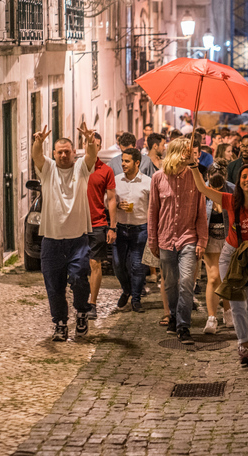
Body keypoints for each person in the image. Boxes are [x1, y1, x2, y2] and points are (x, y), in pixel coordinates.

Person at [189, 162, 248, 366]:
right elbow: (202, 188)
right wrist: (194, 167)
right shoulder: (230, 200)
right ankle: (244, 344)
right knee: (237, 300)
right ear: (239, 181)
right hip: (230, 254)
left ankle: (244, 338)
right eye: (244, 177)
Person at [32, 123, 97, 341]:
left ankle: (81, 311)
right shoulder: (48, 169)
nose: (63, 155)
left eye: (66, 151)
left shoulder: (81, 169)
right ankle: (60, 323)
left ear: (73, 153)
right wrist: (38, 142)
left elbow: (91, 155)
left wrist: (90, 141)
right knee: (53, 284)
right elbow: (37, 157)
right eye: (59, 152)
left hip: (77, 239)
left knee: (79, 278)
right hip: (51, 240)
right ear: (53, 154)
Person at [148, 138, 208, 345]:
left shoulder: (195, 178)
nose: (191, 155)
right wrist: (152, 239)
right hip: (165, 238)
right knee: (171, 283)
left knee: (186, 282)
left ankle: (184, 325)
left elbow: (201, 212)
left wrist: (202, 240)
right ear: (175, 152)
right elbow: (152, 211)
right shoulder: (158, 178)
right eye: (186, 152)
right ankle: (173, 315)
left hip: (188, 238)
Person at [113, 148, 151, 313]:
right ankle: (126, 289)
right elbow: (108, 202)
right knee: (117, 264)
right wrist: (117, 206)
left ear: (137, 163)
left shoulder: (148, 182)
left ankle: (136, 298)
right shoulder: (116, 180)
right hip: (120, 228)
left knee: (137, 266)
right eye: (122, 160)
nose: (123, 164)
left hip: (140, 229)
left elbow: (152, 206)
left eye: (127, 161)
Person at [85, 133, 117, 319]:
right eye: (90, 144)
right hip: (76, 225)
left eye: (96, 144)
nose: (93, 147)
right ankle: (80, 298)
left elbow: (111, 199)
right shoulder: (76, 168)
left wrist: (112, 226)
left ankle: (92, 303)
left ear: (100, 147)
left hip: (97, 223)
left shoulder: (106, 170)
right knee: (78, 266)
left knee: (95, 263)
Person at [202, 162, 234, 333]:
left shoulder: (232, 189)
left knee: (227, 276)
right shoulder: (202, 190)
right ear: (208, 178)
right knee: (214, 277)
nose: (216, 189)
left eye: (219, 186)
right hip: (209, 237)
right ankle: (211, 317)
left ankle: (228, 310)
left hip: (229, 237)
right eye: (213, 186)